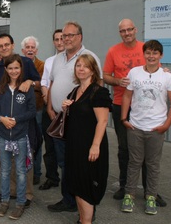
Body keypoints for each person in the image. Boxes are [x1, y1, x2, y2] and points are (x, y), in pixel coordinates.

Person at [103, 18, 167, 207]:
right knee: (125, 149)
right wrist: (116, 81)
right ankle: (125, 186)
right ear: (119, 33)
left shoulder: (144, 48)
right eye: (123, 31)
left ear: (135, 30)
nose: (127, 33)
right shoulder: (113, 51)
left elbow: (156, 67)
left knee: (150, 152)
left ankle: (151, 191)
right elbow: (105, 76)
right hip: (121, 104)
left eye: (130, 29)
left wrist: (165, 71)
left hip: (146, 106)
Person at [47, 21, 102, 213]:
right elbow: (53, 82)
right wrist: (50, 106)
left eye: (71, 35)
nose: (66, 39)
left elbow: (98, 87)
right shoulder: (58, 58)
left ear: (80, 37)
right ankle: (69, 200)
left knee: (81, 166)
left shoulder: (89, 57)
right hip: (60, 118)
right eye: (64, 35)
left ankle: (86, 207)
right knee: (65, 163)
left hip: (79, 124)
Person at [120, 40, 171, 216]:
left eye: (155, 53)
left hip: (156, 129)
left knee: (153, 164)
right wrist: (124, 118)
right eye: (148, 52)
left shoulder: (166, 76)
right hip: (135, 127)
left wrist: (166, 125)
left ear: (160, 55)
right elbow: (126, 96)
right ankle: (129, 195)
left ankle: (151, 196)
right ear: (143, 54)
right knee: (134, 163)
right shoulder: (134, 73)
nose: (151, 56)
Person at [0, 33, 41, 207]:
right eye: (0, 46)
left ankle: (26, 194)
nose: (4, 47)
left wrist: (29, 81)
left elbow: (39, 81)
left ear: (12, 45)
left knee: (24, 157)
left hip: (23, 119)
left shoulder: (26, 62)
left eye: (7, 44)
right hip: (5, 121)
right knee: (6, 159)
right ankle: (11, 191)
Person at [62, 54, 111, 224]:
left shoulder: (99, 92)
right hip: (75, 145)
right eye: (78, 65)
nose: (81, 69)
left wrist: (95, 145)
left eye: (85, 66)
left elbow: (103, 121)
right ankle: (82, 219)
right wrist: (66, 107)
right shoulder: (75, 91)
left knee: (87, 186)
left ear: (93, 70)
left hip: (90, 146)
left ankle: (87, 221)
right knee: (76, 184)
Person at [39, 29, 64, 191]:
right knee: (49, 147)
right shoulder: (49, 61)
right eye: (56, 39)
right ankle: (52, 177)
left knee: (66, 148)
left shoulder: (78, 60)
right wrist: (49, 104)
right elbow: (44, 83)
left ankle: (69, 179)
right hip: (50, 111)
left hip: (67, 112)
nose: (60, 42)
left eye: (62, 38)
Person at [21, 36, 44, 186]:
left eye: (33, 47)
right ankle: (24, 171)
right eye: (27, 47)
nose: (30, 50)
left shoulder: (42, 65)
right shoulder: (19, 63)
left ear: (36, 50)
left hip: (37, 108)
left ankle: (36, 172)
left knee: (36, 140)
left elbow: (43, 83)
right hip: (21, 109)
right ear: (23, 50)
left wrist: (30, 82)